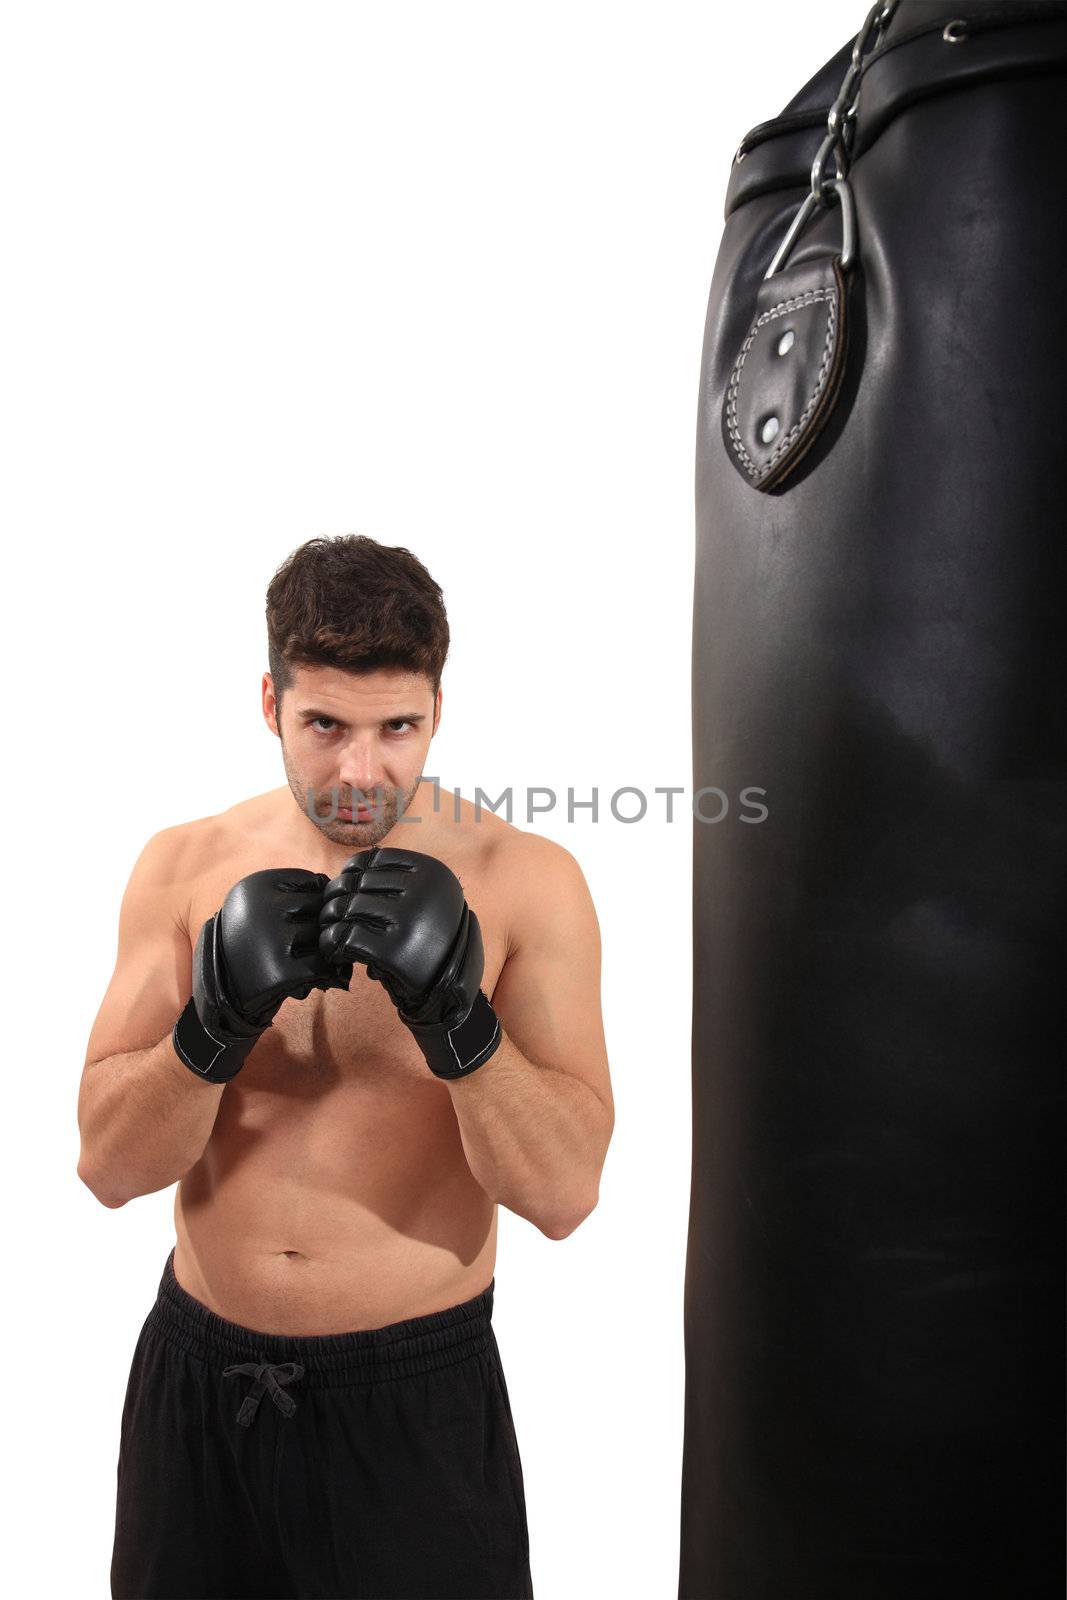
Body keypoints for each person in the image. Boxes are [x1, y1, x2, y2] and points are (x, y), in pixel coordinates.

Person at [78, 533, 613, 1600]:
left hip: (410, 1409)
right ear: (269, 702)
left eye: (395, 728)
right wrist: (207, 1031)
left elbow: (561, 1197)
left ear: (438, 711)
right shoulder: (180, 867)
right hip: (199, 1391)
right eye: (324, 725)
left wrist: (456, 1022)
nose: (360, 771)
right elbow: (106, 1166)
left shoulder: (527, 882)